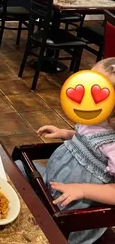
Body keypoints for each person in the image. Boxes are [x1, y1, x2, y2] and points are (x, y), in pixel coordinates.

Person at [16, 57, 115, 244]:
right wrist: (65, 133)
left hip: (74, 205)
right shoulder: (92, 119)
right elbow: (85, 139)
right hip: (52, 182)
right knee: (18, 168)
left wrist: (82, 190)